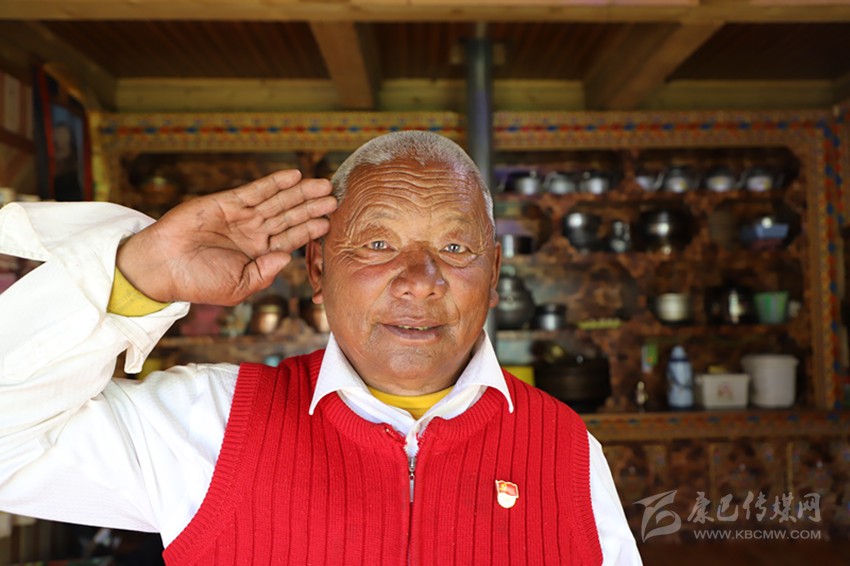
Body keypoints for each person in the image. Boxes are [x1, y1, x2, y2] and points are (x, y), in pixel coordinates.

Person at [0, 131, 641, 565]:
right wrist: (138, 274)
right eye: (379, 245)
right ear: (317, 268)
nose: (421, 280)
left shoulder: (565, 448)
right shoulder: (210, 424)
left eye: (454, 247)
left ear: (493, 274)